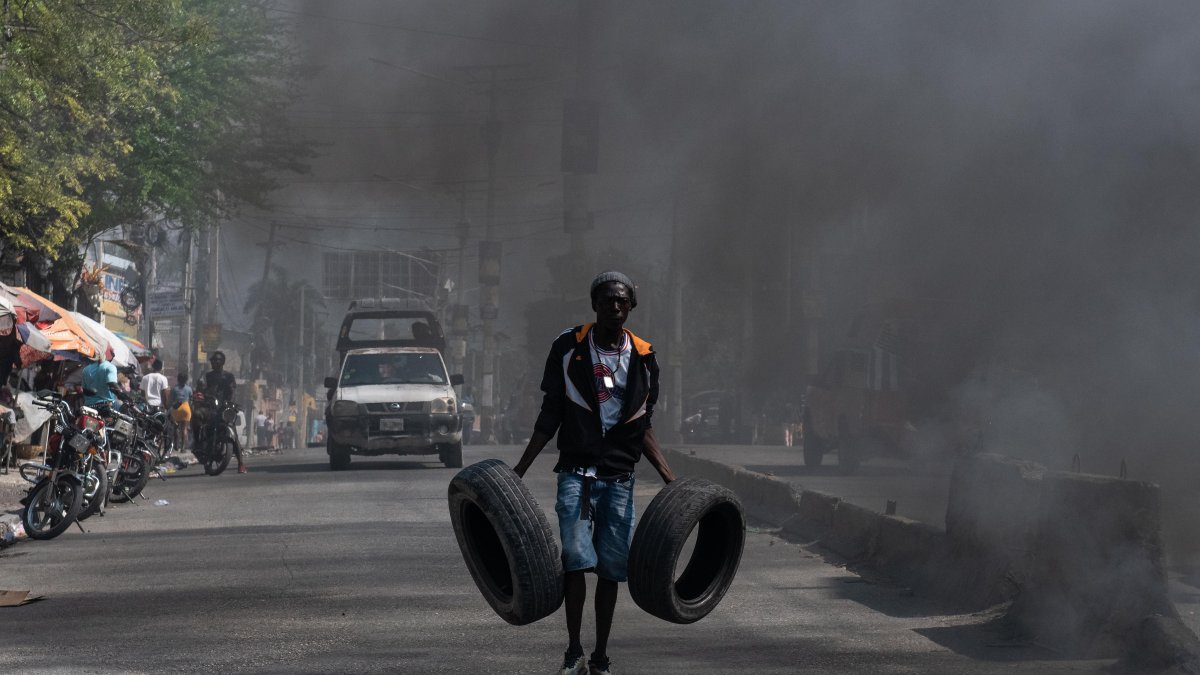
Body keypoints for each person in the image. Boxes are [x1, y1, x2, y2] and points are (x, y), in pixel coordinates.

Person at [513, 271, 676, 675]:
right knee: (576, 562)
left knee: (610, 570)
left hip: (619, 477)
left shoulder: (644, 355)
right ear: (594, 305)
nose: (614, 308)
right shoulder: (569, 346)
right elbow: (551, 412)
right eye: (607, 301)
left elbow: (643, 423)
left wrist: (671, 480)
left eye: (622, 301)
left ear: (631, 306)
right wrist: (518, 470)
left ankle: (601, 656)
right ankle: (573, 652)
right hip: (575, 472)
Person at [197, 350, 245, 473]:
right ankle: (199, 447)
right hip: (211, 406)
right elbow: (203, 388)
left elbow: (232, 390)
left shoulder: (228, 376)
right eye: (213, 360)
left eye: (218, 360)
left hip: (224, 407)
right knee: (198, 418)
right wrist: (202, 395)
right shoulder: (208, 376)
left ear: (222, 362)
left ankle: (241, 463)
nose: (215, 362)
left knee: (233, 434)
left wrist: (229, 402)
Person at [167, 371, 193, 451]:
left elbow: (170, 401)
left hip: (177, 409)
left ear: (178, 379)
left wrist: (168, 408)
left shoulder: (174, 389)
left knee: (176, 428)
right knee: (184, 429)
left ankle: (176, 445)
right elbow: (191, 400)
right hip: (186, 408)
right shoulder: (189, 388)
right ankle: (183, 447)